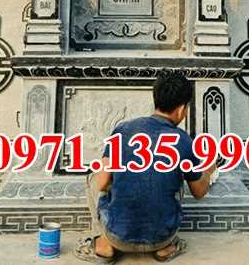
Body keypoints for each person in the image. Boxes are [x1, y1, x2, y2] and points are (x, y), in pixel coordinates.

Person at [75, 71, 217, 264]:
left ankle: (104, 244)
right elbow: (199, 192)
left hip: (117, 236)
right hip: (162, 238)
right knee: (177, 180)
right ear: (181, 109)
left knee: (95, 177)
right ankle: (166, 247)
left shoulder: (123, 130)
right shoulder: (184, 141)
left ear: (155, 99)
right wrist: (208, 169)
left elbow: (102, 183)